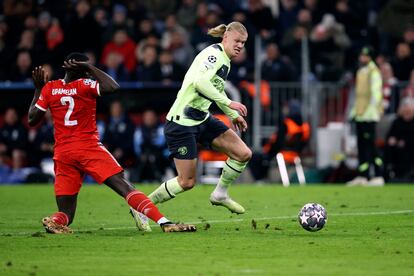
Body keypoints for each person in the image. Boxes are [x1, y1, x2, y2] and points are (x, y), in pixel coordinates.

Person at [28, 52, 196, 234]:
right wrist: (90, 67)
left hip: (63, 153)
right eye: (86, 69)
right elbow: (113, 87)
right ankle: (165, 223)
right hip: (88, 147)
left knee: (66, 213)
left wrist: (38, 88)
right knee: (125, 186)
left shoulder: (50, 88)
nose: (89, 73)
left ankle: (53, 221)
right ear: (81, 69)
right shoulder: (85, 85)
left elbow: (32, 119)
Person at [131, 22, 252, 231]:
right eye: (237, 41)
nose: (240, 45)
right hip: (181, 123)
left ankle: (220, 193)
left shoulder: (226, 60)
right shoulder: (213, 55)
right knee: (186, 182)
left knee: (243, 153)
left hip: (202, 118)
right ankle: (142, 207)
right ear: (225, 38)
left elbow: (214, 90)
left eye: (243, 42)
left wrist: (232, 114)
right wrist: (231, 103)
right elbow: (200, 83)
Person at [347, 46, 384, 186]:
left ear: (370, 57)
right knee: (361, 146)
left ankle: (378, 175)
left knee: (371, 146)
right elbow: (358, 96)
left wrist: (372, 110)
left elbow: (376, 94)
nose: (362, 58)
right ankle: (363, 176)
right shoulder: (361, 72)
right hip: (360, 114)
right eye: (361, 55)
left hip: (369, 115)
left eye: (365, 56)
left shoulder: (373, 72)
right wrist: (354, 112)